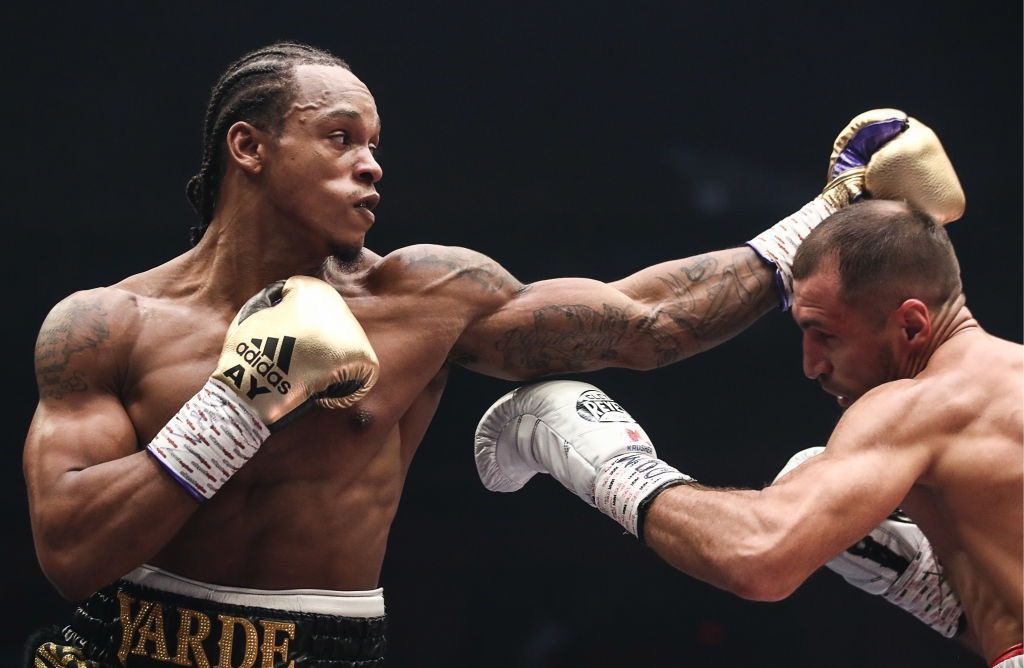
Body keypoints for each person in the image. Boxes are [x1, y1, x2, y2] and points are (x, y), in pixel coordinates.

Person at [21, 38, 964, 667]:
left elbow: (644, 323)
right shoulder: (107, 325)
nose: (371, 163)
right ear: (248, 147)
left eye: (376, 144)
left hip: (327, 646)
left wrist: (830, 209)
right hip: (132, 644)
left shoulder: (424, 297)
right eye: (339, 137)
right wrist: (237, 403)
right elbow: (70, 552)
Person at [474, 199, 1023, 667]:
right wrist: (929, 586)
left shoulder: (922, 405)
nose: (811, 365)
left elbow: (759, 553)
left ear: (911, 324)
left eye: (825, 334)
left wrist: (614, 467)